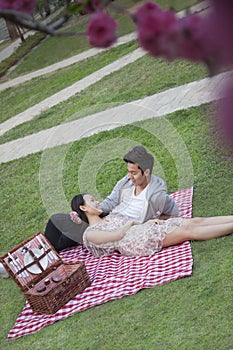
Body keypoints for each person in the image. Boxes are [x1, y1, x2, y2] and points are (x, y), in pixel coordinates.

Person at [44, 146, 179, 251]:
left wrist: (149, 221)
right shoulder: (125, 183)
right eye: (129, 171)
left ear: (146, 172)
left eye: (134, 172)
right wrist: (94, 210)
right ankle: (46, 251)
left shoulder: (156, 196)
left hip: (113, 228)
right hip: (104, 218)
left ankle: (50, 253)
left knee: (71, 234)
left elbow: (172, 213)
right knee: (56, 220)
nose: (130, 176)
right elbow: (111, 201)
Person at [71, 193, 233, 258]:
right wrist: (132, 223)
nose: (97, 201)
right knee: (187, 231)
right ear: (83, 208)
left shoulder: (111, 217)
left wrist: (146, 222)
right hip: (134, 242)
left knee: (195, 221)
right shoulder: (90, 233)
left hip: (141, 230)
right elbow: (118, 236)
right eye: (92, 200)